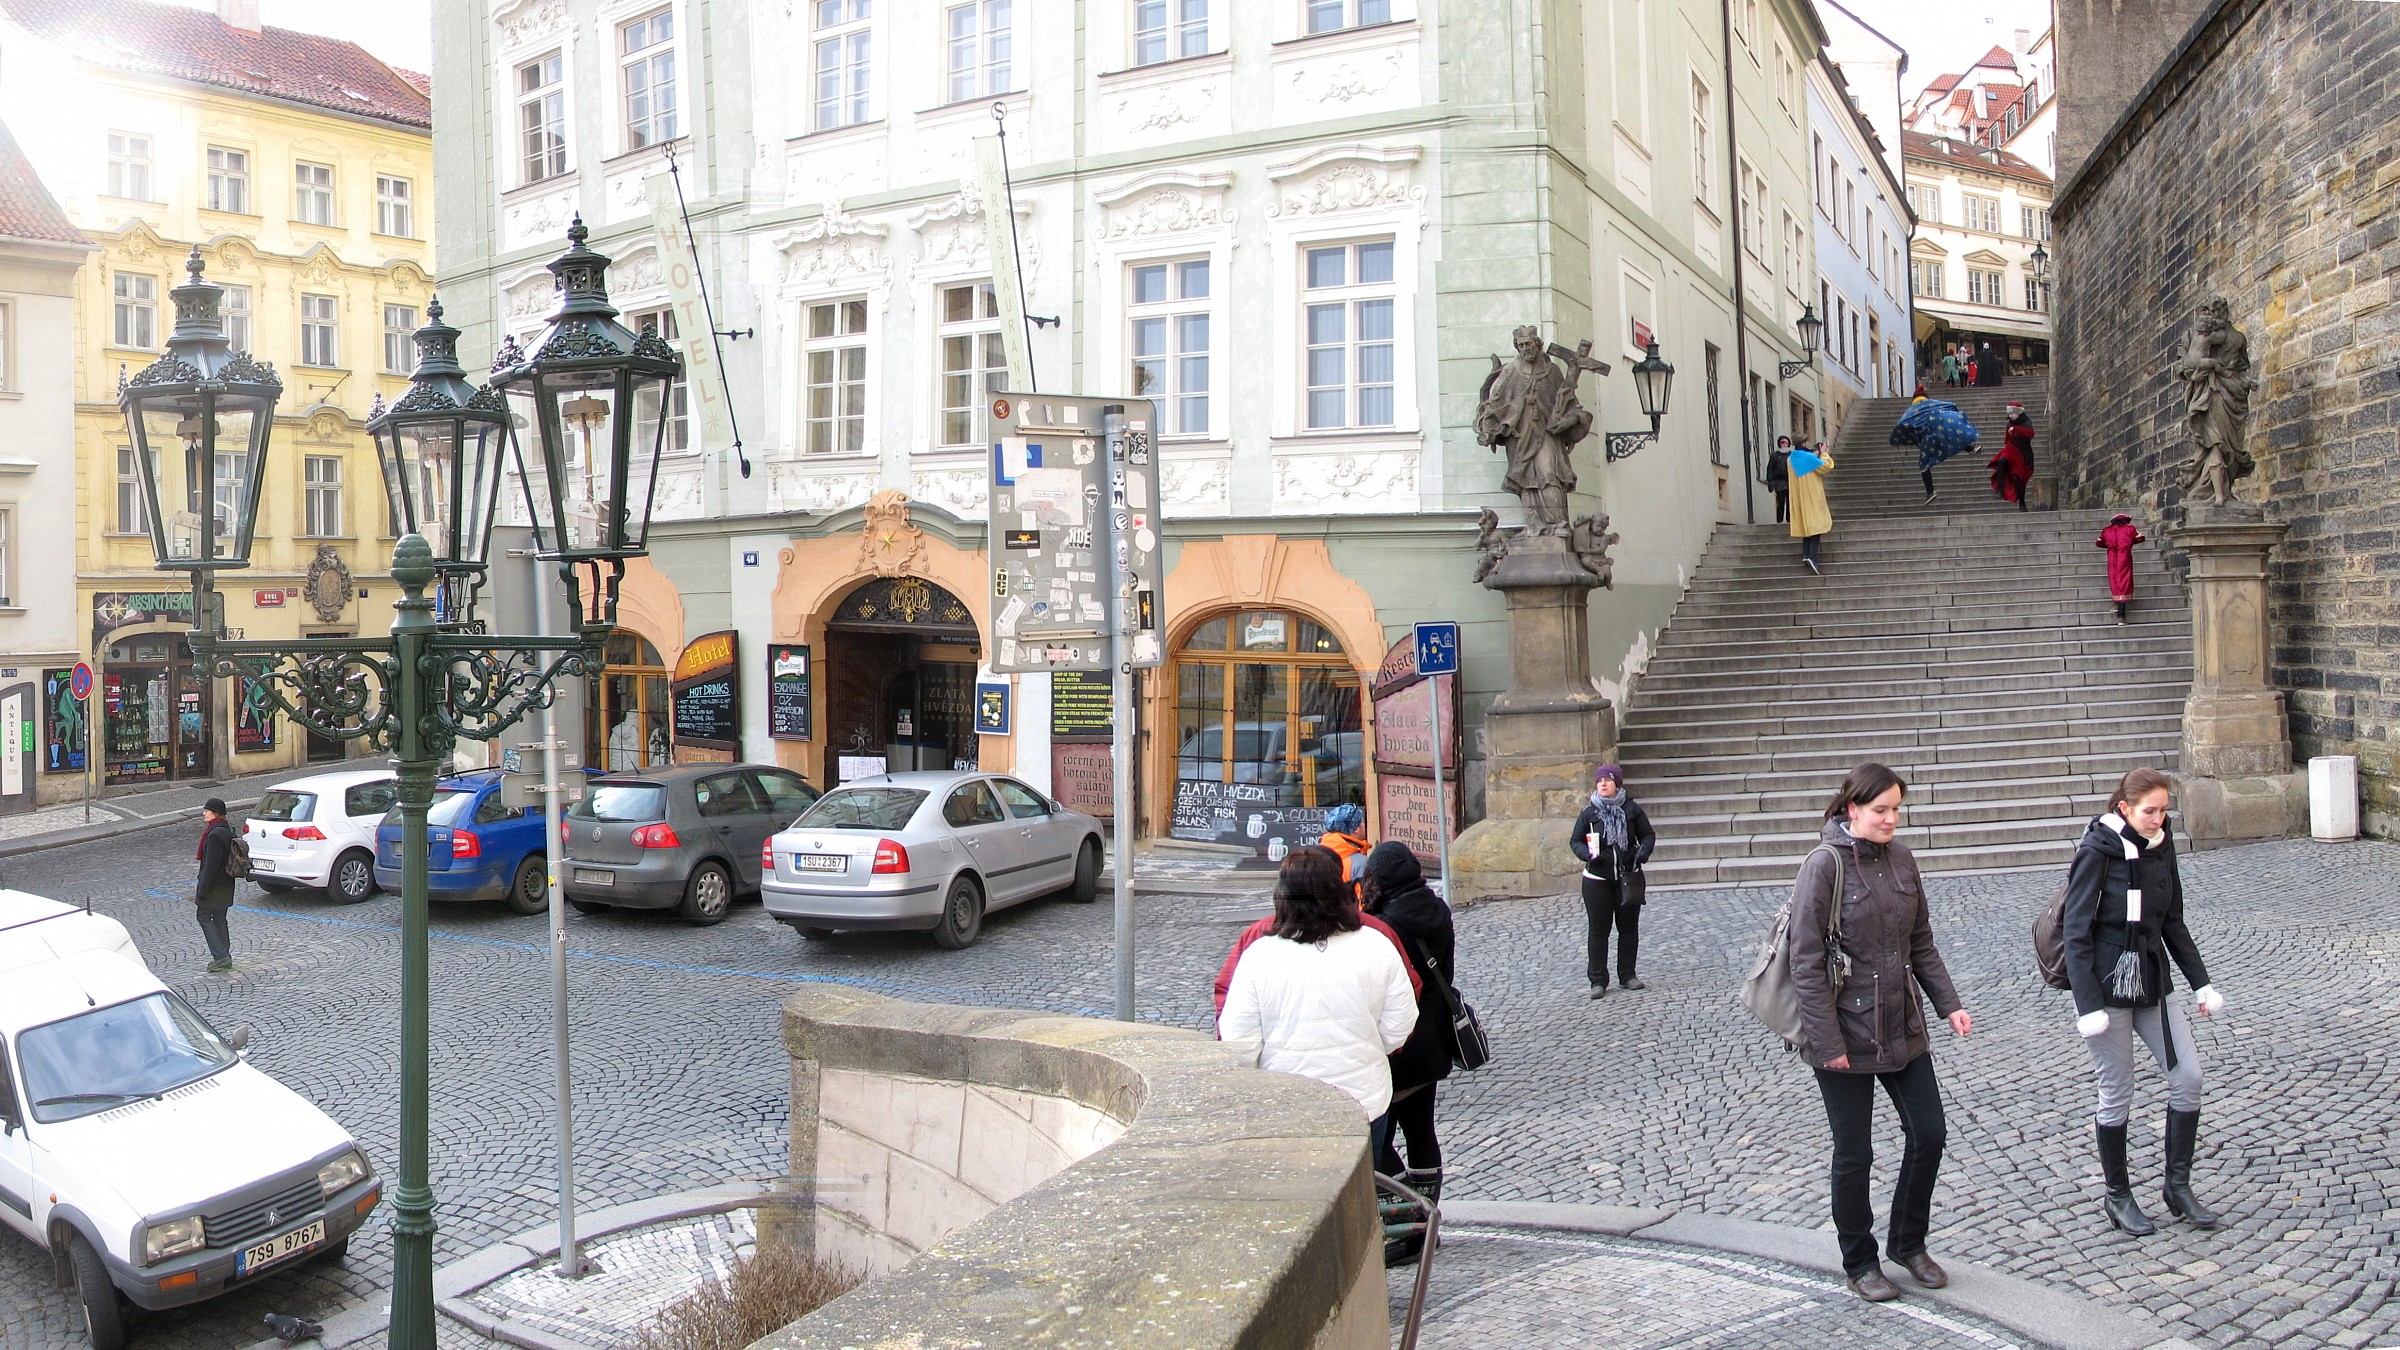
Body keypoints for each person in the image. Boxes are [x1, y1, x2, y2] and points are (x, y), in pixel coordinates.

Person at [1789, 763, 1972, 1303]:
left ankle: (1907, 1243)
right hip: (1843, 1032)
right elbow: (1805, 962)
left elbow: (1922, 942)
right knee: (1855, 1153)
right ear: (1853, 809)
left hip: (1901, 1022)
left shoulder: (1902, 859)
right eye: (1880, 810)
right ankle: (1860, 1261)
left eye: (1896, 810)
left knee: (1930, 1133)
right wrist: (1828, 1045)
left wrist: (1949, 1005)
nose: (1891, 819)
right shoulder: (1823, 866)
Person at [2063, 769, 2221, 1236]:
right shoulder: (2097, 850)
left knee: (2188, 1076)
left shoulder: (2162, 846)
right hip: (2106, 988)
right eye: (2149, 811)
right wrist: (2088, 1006)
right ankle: (2118, 1196)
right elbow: (2075, 932)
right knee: (2117, 1090)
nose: (2158, 819)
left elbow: (2173, 921)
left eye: (2164, 810)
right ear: (2124, 808)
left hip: (2152, 982)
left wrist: (2201, 984)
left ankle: (2177, 1186)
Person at [1219, 846, 1418, 1147]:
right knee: (1366, 1174)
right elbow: (1400, 1024)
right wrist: (1368, 1048)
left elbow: (1239, 1041)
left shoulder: (1258, 956)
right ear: (1338, 890)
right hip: (1364, 1096)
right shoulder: (1376, 945)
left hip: (1286, 1101)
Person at [1361, 842, 1457, 1257]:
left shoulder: (1382, 925)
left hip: (1399, 1045)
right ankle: (1427, 1223)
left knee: (1379, 1143)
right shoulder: (1438, 911)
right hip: (1433, 1039)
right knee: (1421, 1131)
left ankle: (1413, 1223)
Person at [1568, 765, 1653, 998]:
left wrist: (1642, 853)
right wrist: (1587, 855)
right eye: (1599, 781)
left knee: (1628, 928)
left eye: (1607, 780)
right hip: (1597, 880)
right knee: (1598, 930)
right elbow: (1575, 841)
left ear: (1617, 783)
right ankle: (1598, 980)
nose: (1603, 784)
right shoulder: (1589, 813)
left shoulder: (1632, 809)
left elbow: (1648, 835)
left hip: (1628, 877)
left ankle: (1627, 975)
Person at [195, 798, 237, 973]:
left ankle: (221, 957)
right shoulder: (225, 830)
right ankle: (224, 955)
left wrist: (202, 890)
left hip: (214, 887)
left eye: (207, 810)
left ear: (216, 813)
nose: (204, 813)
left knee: (203, 916)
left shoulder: (214, 835)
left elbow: (211, 866)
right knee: (219, 918)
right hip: (226, 885)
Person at [1787, 441, 1834, 574]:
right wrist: (1823, 453)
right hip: (1812, 496)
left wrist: (1815, 453)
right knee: (1816, 526)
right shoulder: (1808, 458)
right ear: (1804, 442)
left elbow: (1807, 462)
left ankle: (1805, 554)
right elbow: (1826, 466)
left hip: (1799, 498)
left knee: (1806, 526)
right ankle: (1812, 557)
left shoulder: (1790, 459)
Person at [2097, 513, 2147, 624]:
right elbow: (2141, 538)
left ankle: (2117, 603)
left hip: (2112, 557)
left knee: (2114, 580)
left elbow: (2099, 542)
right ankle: (2121, 615)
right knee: (2124, 580)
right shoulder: (2130, 529)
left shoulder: (2106, 530)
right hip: (2125, 556)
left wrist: (2110, 545)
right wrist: (2129, 542)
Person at [1989, 402, 2035, 511]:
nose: (2010, 415)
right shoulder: (2009, 424)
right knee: (2002, 461)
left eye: (2012, 413)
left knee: (2017, 477)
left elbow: (2030, 434)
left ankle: (2022, 503)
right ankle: (2000, 489)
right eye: (2009, 413)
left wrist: (2016, 430)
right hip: (2011, 449)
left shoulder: (2026, 422)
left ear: (2019, 412)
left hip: (2023, 453)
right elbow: (2007, 440)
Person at [1319, 802, 1371, 894]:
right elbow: (1365, 899)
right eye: (1362, 822)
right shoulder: (1360, 863)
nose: (1364, 825)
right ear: (1356, 829)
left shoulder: (1314, 859)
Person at [1765, 435, 1793, 524]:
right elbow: (1770, 468)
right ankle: (1779, 520)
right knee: (1780, 502)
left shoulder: (1792, 455)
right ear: (1779, 444)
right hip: (1779, 482)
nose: (1784, 444)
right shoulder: (1775, 456)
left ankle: (1789, 520)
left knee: (1790, 502)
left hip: (1790, 481)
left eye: (1786, 443)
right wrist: (1770, 480)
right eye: (1782, 442)